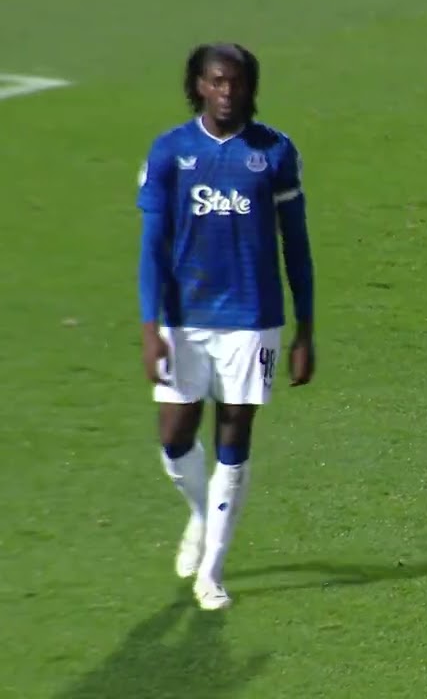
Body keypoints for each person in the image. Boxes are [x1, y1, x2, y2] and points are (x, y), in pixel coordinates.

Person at [136, 43, 316, 610]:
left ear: (249, 87)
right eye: (216, 81)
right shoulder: (170, 152)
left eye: (236, 82)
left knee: (234, 437)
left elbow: (297, 246)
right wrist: (150, 325)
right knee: (174, 438)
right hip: (184, 316)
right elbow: (152, 247)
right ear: (198, 85)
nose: (227, 92)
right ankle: (200, 514)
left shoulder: (275, 152)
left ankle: (212, 571)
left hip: (252, 318)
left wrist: (306, 328)